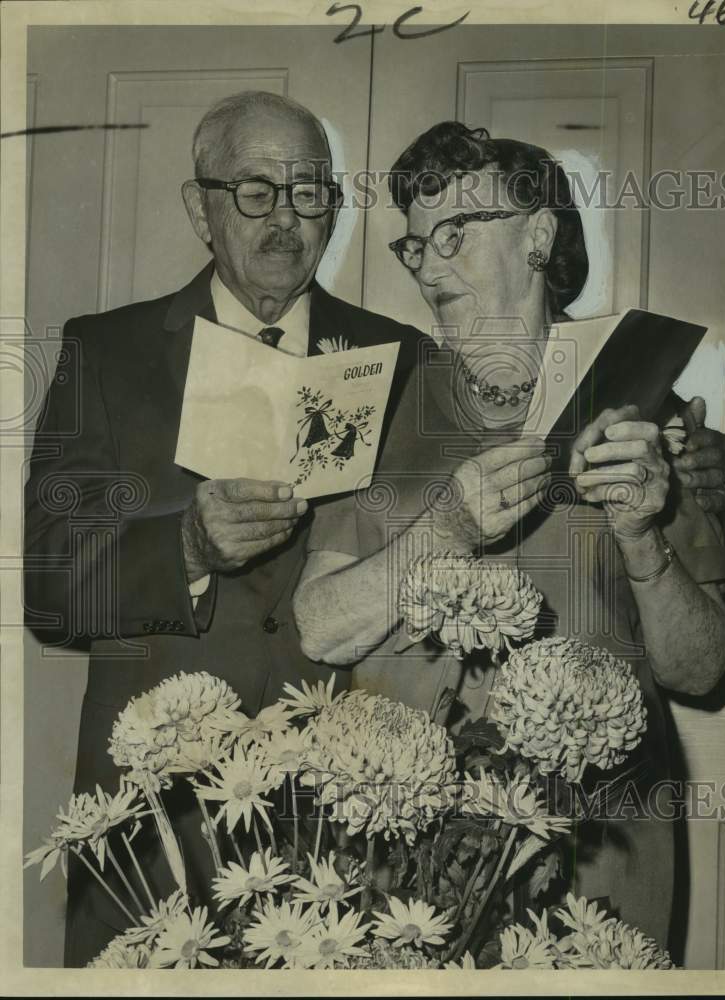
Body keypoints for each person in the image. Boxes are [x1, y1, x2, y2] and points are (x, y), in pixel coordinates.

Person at [293, 121, 725, 950]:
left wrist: (642, 538)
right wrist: (445, 530)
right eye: (415, 245)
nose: (427, 264)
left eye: (454, 235)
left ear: (537, 235)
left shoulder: (642, 400)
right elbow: (320, 628)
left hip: (597, 854)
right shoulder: (365, 399)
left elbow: (705, 671)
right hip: (400, 851)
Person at [23, 91, 423, 967]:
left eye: (309, 190)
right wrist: (186, 549)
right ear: (197, 207)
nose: (285, 218)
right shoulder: (106, 350)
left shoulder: (402, 357)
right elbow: (49, 588)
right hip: (159, 818)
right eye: (252, 190)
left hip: (350, 819)